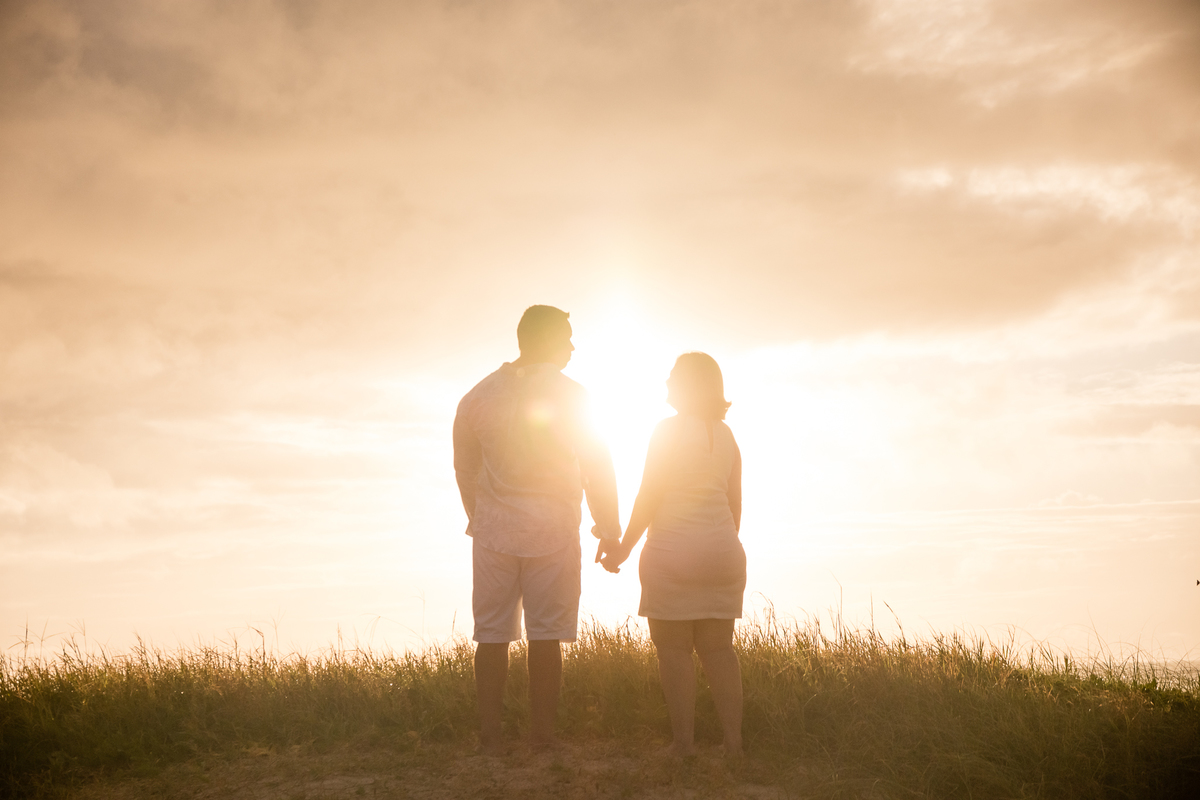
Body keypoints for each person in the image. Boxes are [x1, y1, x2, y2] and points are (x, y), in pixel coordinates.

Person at [453, 305, 622, 753]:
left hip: (493, 534)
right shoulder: (574, 396)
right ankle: (541, 739)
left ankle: (490, 738)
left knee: (491, 635)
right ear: (545, 340)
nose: (572, 346)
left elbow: (463, 468)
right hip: (553, 531)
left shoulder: (477, 397)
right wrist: (609, 528)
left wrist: (480, 516)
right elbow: (598, 467)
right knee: (546, 635)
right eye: (566, 337)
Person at [602, 352, 745, 757]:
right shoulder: (728, 437)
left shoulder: (666, 430)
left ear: (688, 385)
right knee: (719, 650)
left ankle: (683, 745)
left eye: (671, 378)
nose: (665, 385)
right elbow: (735, 505)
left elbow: (649, 495)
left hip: (672, 550)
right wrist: (717, 546)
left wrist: (623, 550)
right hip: (724, 551)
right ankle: (733, 744)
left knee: (674, 649)